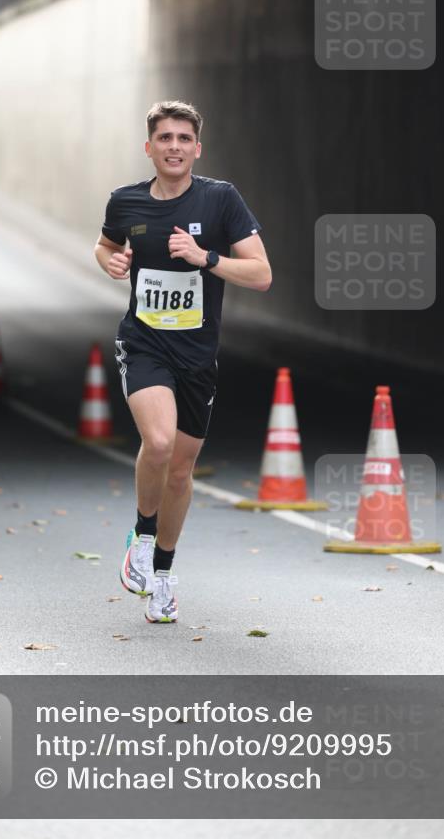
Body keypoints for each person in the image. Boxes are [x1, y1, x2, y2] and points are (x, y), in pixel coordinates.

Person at [94, 100, 271, 623]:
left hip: (198, 355)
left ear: (198, 148)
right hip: (145, 342)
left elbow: (261, 274)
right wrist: (113, 261)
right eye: (164, 138)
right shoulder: (125, 202)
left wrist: (206, 258)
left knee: (181, 471)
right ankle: (143, 538)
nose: (174, 147)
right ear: (148, 148)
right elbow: (103, 246)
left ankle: (165, 577)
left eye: (183, 139)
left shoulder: (221, 200)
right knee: (162, 442)